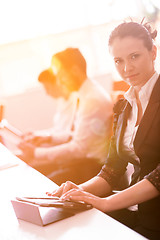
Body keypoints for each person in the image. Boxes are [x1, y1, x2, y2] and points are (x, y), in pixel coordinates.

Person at [47, 21, 160, 240]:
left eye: (134, 56)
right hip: (133, 211)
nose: (127, 68)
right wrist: (78, 190)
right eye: (119, 60)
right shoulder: (122, 106)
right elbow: (111, 169)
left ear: (153, 52)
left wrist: (106, 202)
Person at [19, 48, 113, 185]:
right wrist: (49, 137)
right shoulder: (86, 94)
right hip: (82, 163)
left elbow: (80, 148)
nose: (60, 82)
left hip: (90, 169)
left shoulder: (92, 99)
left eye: (62, 75)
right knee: (30, 174)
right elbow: (77, 135)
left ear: (74, 71)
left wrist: (36, 153)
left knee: (34, 182)